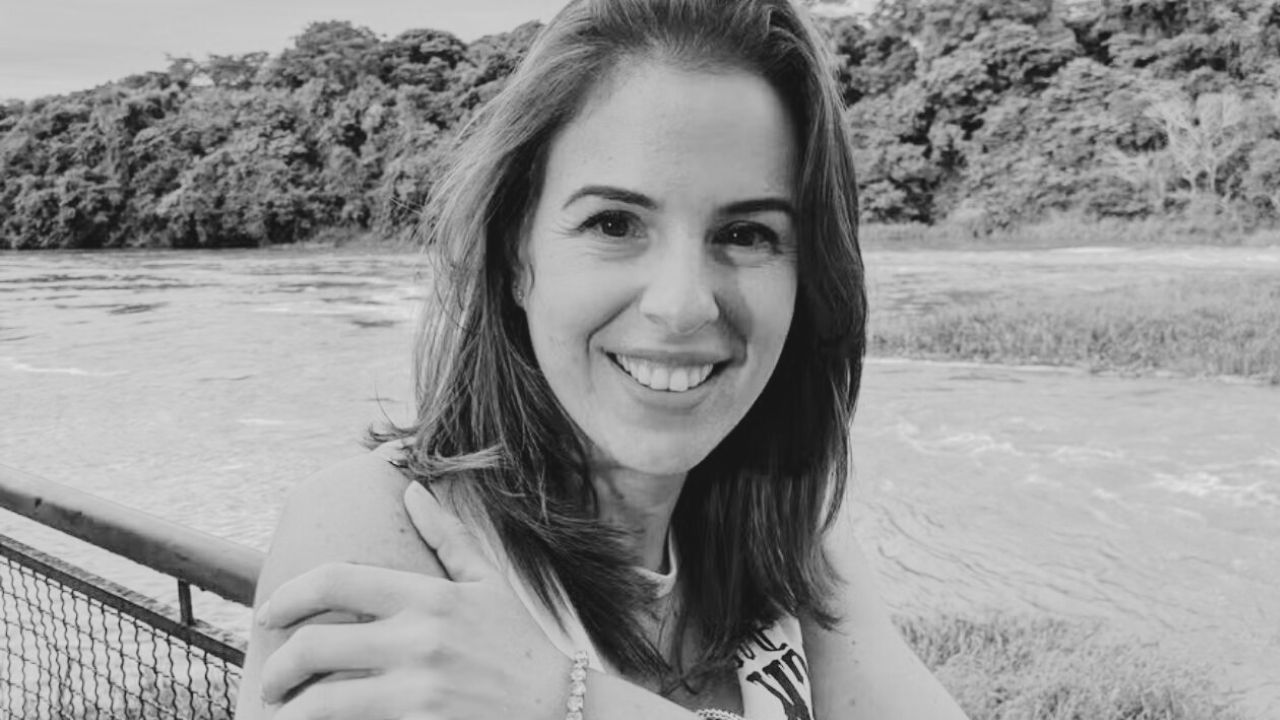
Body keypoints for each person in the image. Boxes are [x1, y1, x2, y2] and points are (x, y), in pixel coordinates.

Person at [237, 0, 970, 718]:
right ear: (514, 256)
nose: (683, 305)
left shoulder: (788, 538)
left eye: (746, 234)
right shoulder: (381, 530)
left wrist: (568, 699)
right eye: (614, 224)